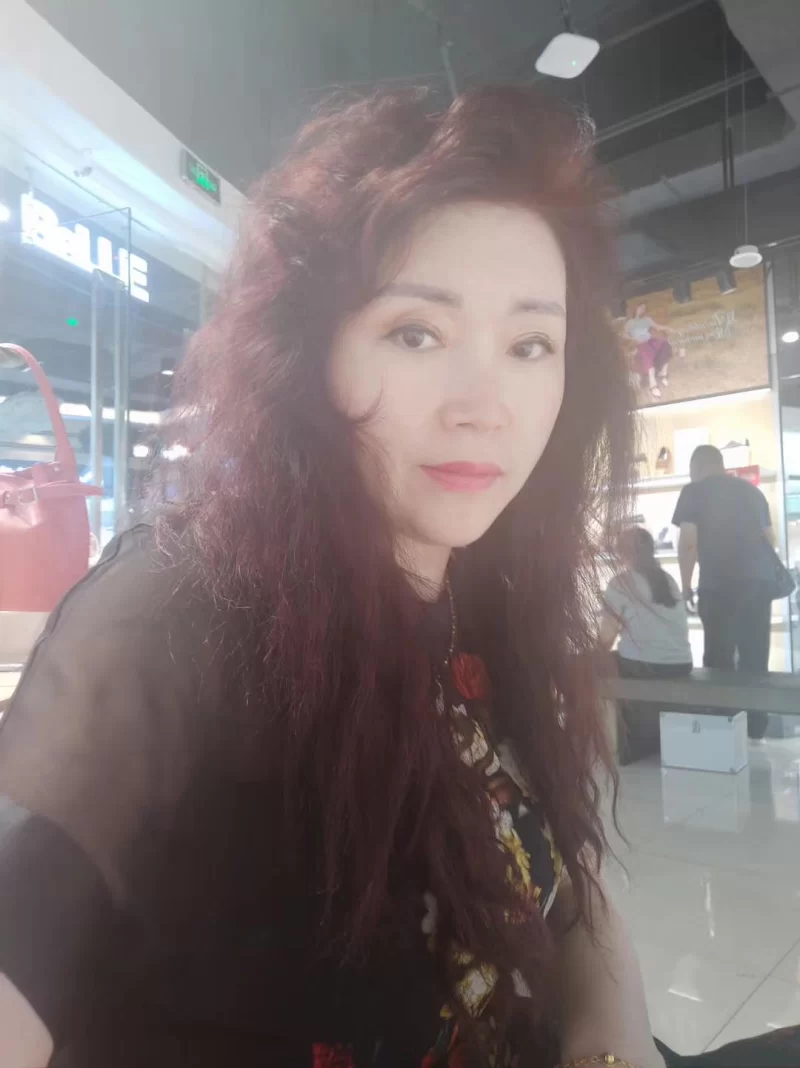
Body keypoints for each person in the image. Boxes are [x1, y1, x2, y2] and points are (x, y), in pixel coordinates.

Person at [0, 87, 668, 1068]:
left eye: (530, 345)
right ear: (311, 355)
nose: (484, 406)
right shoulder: (176, 618)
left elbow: (567, 880)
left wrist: (609, 1036)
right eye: (416, 332)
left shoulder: (488, 598)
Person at [673, 444, 776, 739]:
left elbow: (688, 542)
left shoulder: (693, 491)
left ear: (696, 468)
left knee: (719, 658)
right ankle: (756, 727)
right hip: (759, 584)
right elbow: (770, 539)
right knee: (755, 657)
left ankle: (723, 727)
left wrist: (685, 586)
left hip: (719, 585)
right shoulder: (752, 492)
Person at [598, 527, 693, 763]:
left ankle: (606, 742)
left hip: (644, 666)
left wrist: (594, 654)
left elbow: (606, 637)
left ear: (623, 553)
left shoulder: (621, 583)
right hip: (681, 664)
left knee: (587, 667)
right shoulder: (667, 580)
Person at [624, 303, 679, 400]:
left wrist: (669, 328)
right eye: (641, 308)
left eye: (644, 308)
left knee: (665, 344)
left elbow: (658, 327)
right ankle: (653, 385)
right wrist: (633, 339)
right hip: (640, 343)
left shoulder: (647, 319)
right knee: (646, 352)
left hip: (650, 341)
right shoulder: (630, 323)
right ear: (636, 309)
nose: (642, 310)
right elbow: (624, 334)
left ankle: (663, 374)